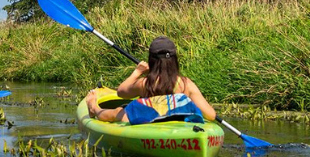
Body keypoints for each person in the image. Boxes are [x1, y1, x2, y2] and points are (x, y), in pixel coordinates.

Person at [84, 36, 216, 123]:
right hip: (177, 124)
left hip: (147, 120)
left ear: (151, 60)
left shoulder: (145, 83)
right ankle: (94, 108)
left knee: (118, 112)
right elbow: (211, 115)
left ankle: (94, 108)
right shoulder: (186, 84)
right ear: (174, 60)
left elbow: (121, 92)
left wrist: (137, 72)